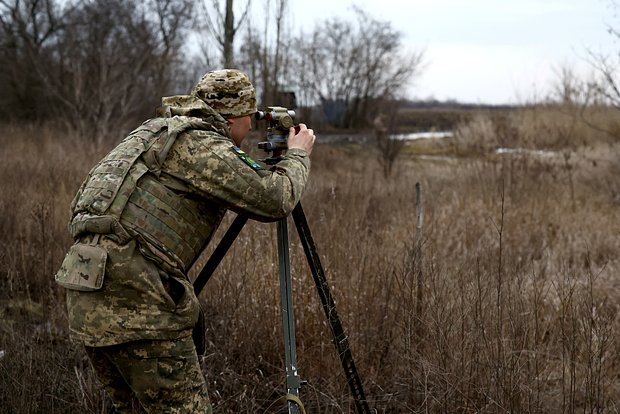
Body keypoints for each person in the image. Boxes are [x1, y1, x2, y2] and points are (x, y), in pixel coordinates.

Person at [54, 68, 316, 413]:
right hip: (139, 303)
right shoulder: (203, 145)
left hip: (86, 293)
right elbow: (276, 199)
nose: (251, 127)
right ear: (235, 117)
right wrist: (297, 154)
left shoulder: (152, 132)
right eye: (249, 117)